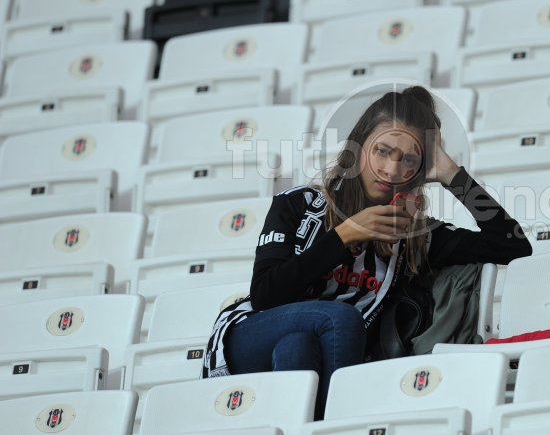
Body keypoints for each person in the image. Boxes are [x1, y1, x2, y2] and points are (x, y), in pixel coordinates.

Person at [202, 86, 532, 419]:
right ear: (357, 149)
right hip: (249, 337)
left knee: (298, 346)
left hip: (313, 355)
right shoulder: (298, 204)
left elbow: (512, 245)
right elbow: (265, 296)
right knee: (338, 317)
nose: (391, 170)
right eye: (382, 151)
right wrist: (344, 236)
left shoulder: (417, 237)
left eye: (409, 159)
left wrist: (452, 175)